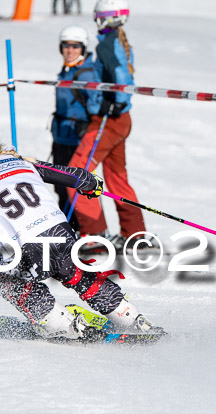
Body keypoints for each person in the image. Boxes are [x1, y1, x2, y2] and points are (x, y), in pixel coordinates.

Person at [0, 106, 159, 340]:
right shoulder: (23, 163)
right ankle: (129, 317)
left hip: (27, 252)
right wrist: (91, 184)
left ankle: (55, 321)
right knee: (76, 270)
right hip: (61, 236)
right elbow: (79, 177)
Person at [66, 0, 146, 252]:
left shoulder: (108, 45)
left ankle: (94, 234)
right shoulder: (118, 41)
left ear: (106, 19)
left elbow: (122, 77)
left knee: (76, 171)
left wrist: (117, 102)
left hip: (109, 120)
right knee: (116, 177)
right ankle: (135, 234)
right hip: (120, 120)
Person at [51, 25, 101, 233]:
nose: (70, 50)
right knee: (60, 185)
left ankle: (86, 229)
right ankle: (68, 229)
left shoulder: (87, 73)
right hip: (61, 136)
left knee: (78, 186)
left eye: (75, 46)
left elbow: (96, 105)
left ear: (83, 47)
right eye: (66, 46)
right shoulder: (67, 69)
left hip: (78, 138)